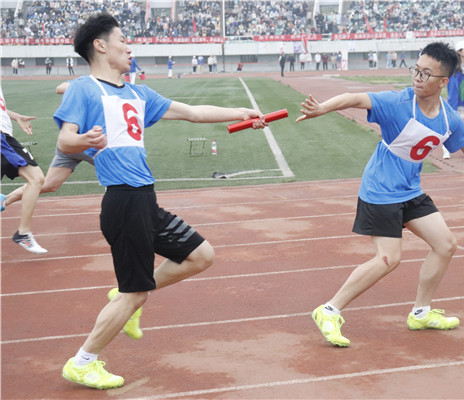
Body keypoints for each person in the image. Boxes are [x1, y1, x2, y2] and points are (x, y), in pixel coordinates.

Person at [56, 13, 266, 390]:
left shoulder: (138, 94)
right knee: (134, 294)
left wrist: (242, 113)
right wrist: (85, 140)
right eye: (122, 40)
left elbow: (192, 113)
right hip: (123, 201)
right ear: (100, 46)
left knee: (200, 256)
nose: (129, 47)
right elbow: (64, 141)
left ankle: (126, 296)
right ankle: (83, 362)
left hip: (145, 200)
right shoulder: (83, 89)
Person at [296, 41, 464, 347]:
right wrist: (323, 108)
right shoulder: (398, 103)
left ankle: (420, 313)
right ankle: (329, 310)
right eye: (416, 70)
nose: (417, 78)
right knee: (388, 259)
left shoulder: (448, 118)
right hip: (380, 190)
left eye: (426, 74)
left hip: (410, 190)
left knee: (445, 245)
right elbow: (356, 97)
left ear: (443, 82)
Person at [2, 82, 96, 214]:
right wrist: (88, 90)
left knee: (48, 184)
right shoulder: (91, 84)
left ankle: (5, 200)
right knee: (119, 176)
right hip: (87, 143)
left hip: (70, 144)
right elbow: (60, 88)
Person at [0, 85, 47, 254]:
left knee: (37, 179)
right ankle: (23, 233)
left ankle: (23, 233)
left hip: (5, 136)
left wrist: (16, 116)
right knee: (36, 178)